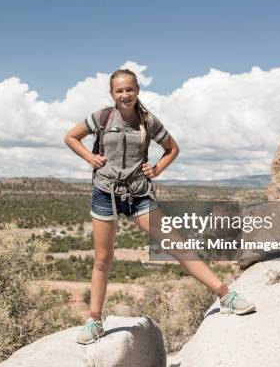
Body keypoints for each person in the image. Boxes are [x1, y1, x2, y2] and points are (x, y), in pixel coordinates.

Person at [64, 68, 255, 345]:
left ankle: (226, 294)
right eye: (119, 90)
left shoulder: (147, 121)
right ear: (112, 94)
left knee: (177, 245)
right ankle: (95, 320)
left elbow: (172, 148)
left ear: (137, 90)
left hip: (139, 195)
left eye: (129, 89)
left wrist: (157, 169)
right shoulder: (102, 117)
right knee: (103, 258)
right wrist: (90, 158)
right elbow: (71, 137)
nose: (125, 95)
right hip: (106, 193)